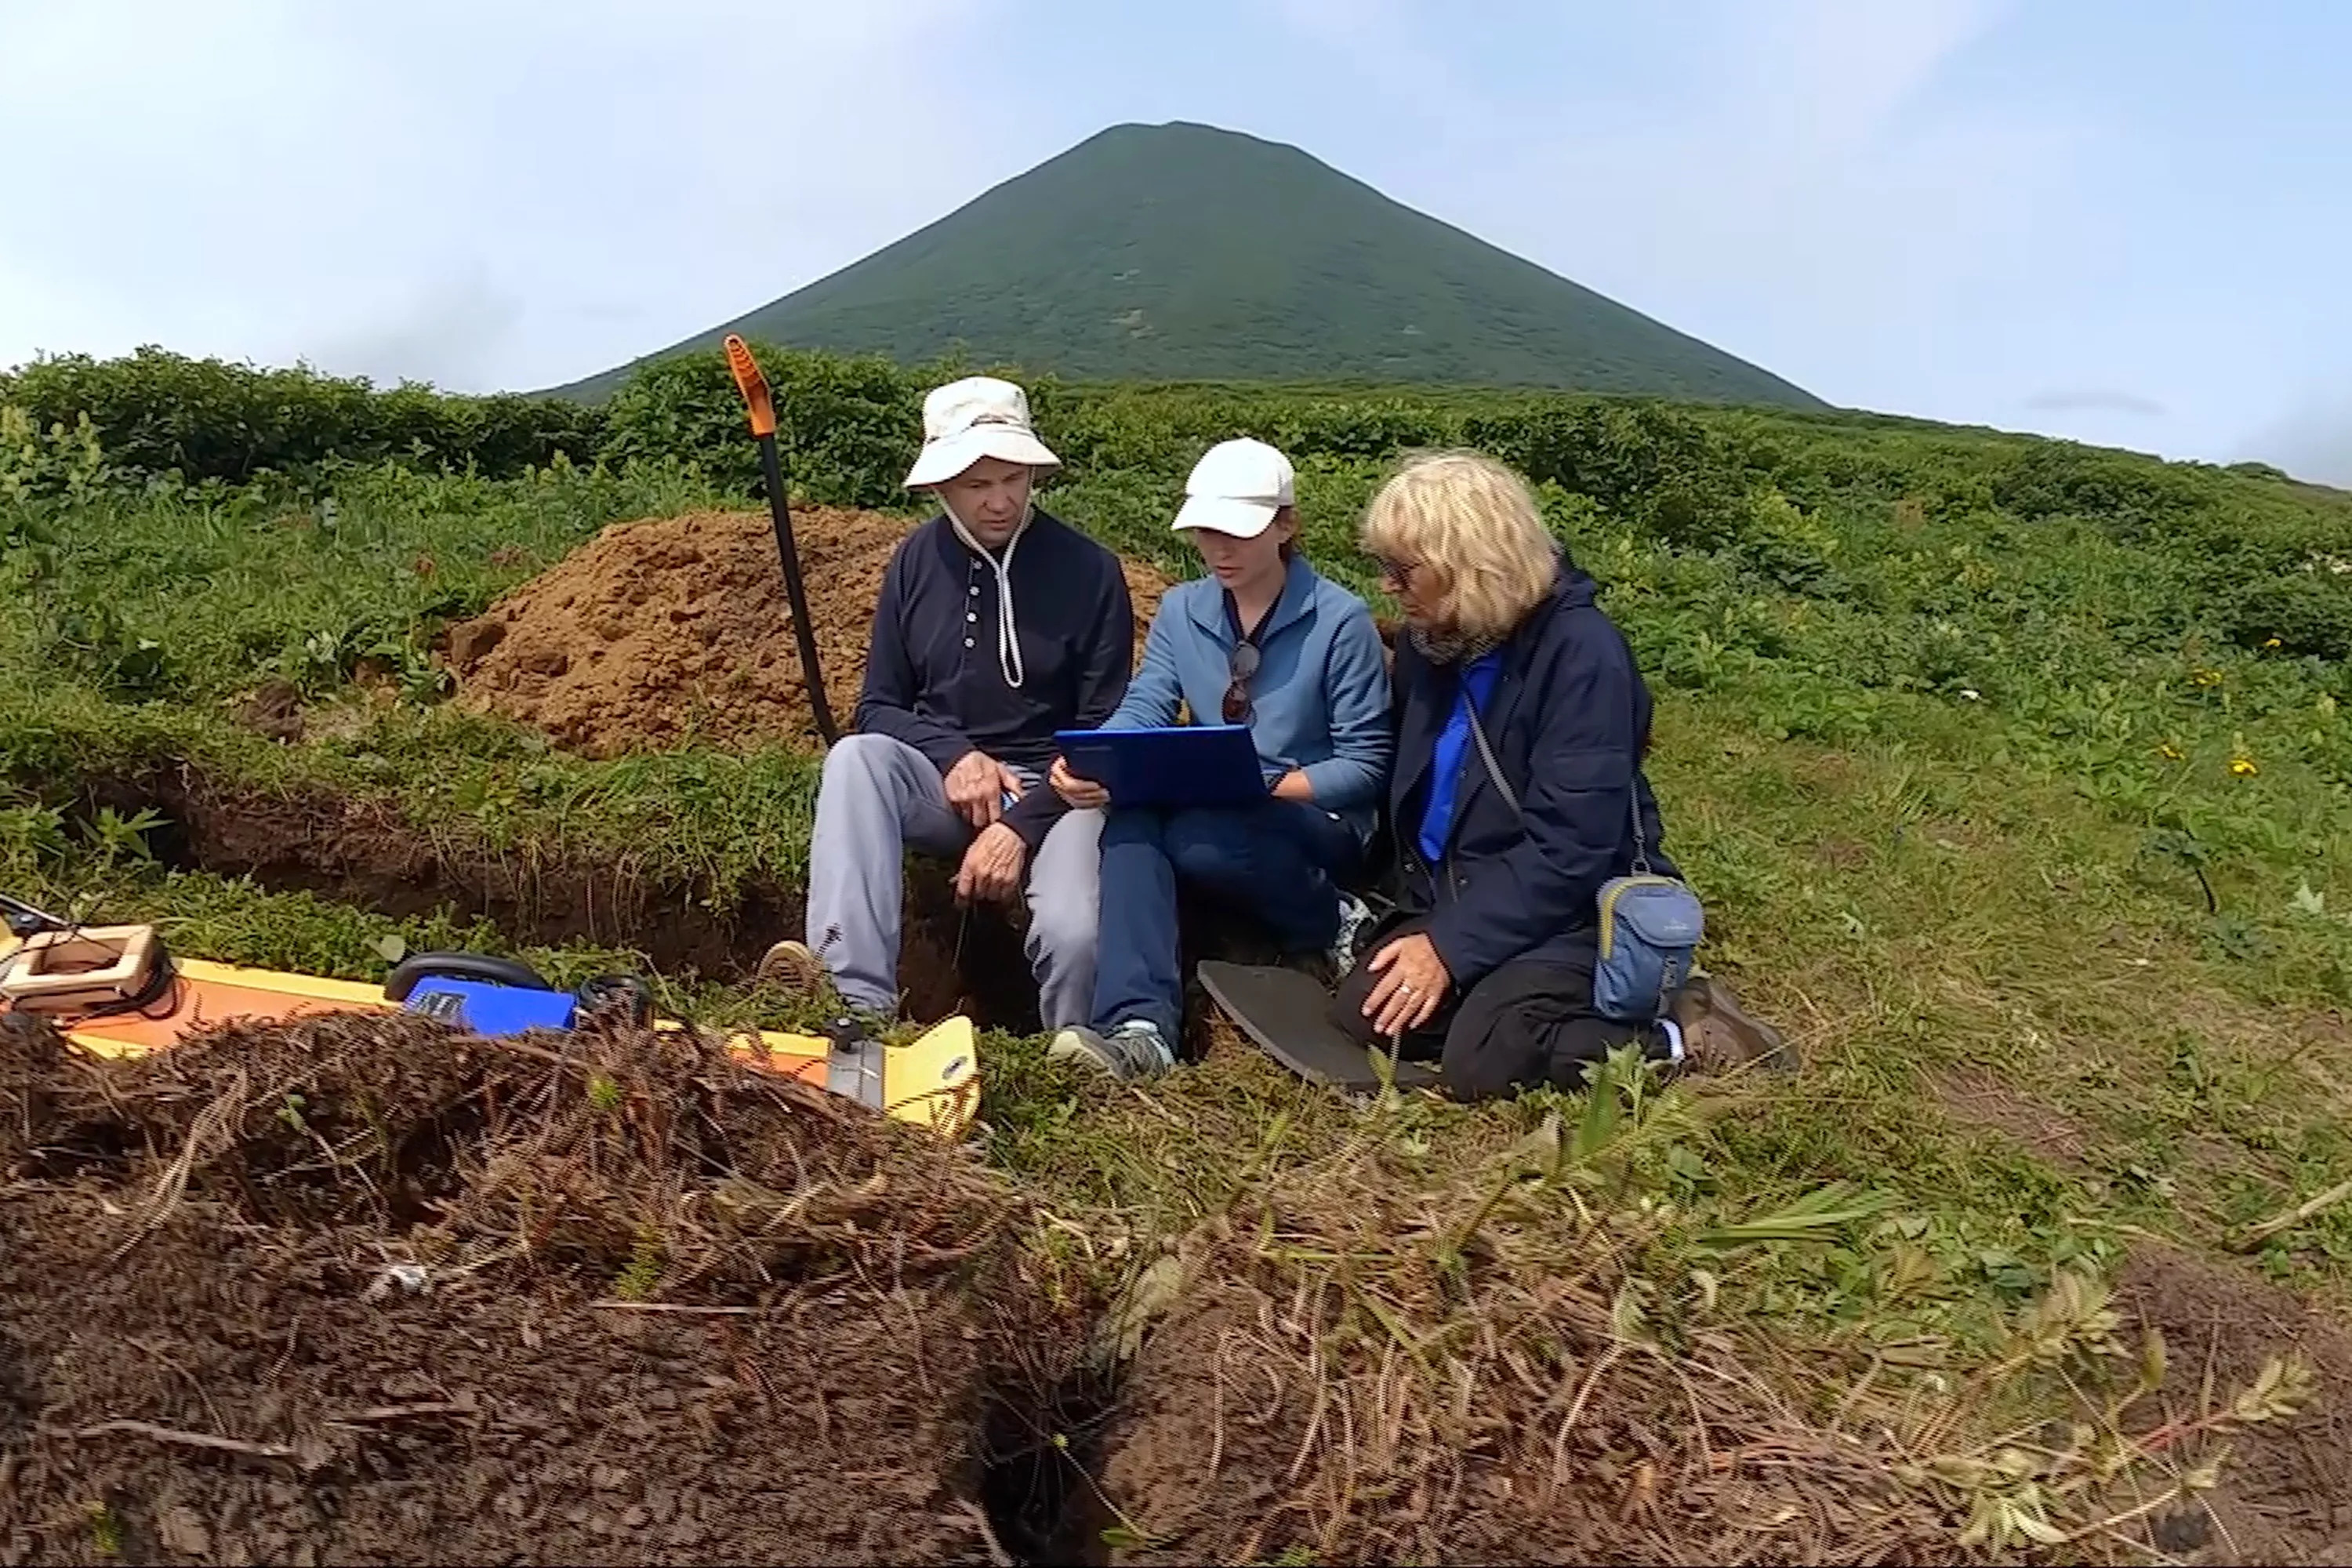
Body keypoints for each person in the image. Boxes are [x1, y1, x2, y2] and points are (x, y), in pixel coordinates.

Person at [1330, 449, 1789, 1098]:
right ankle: (1511, 1002)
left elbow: (1572, 848)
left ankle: (1686, 1035)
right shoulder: (1432, 646)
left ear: (1469, 567)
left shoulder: (1584, 657)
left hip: (1568, 910)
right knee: (1369, 1011)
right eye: (1384, 568)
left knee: (1485, 1058)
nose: (1388, 587)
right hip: (1466, 891)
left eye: (1403, 570)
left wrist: (1450, 949)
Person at [763, 376, 1133, 1030]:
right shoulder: (914, 562)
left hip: (1061, 788)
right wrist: (956, 756)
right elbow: (878, 706)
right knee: (857, 760)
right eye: (977, 485)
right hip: (942, 785)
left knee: (1073, 932)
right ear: (940, 488)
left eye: (1013, 479)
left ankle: (1074, 1057)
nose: (1000, 502)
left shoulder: (1091, 570)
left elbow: (1104, 729)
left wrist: (1017, 827)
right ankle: (853, 1007)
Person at [1044, 438, 1392, 1079]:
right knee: (1133, 821)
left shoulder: (1340, 621)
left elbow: (1365, 765)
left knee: (1201, 835)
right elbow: (1149, 701)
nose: (1218, 550)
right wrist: (1102, 759)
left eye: (1237, 531)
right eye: (1206, 532)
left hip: (1317, 819)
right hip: (1214, 805)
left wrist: (1262, 787)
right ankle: (1140, 1026)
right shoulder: (1184, 609)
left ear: (1286, 525)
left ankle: (1335, 915)